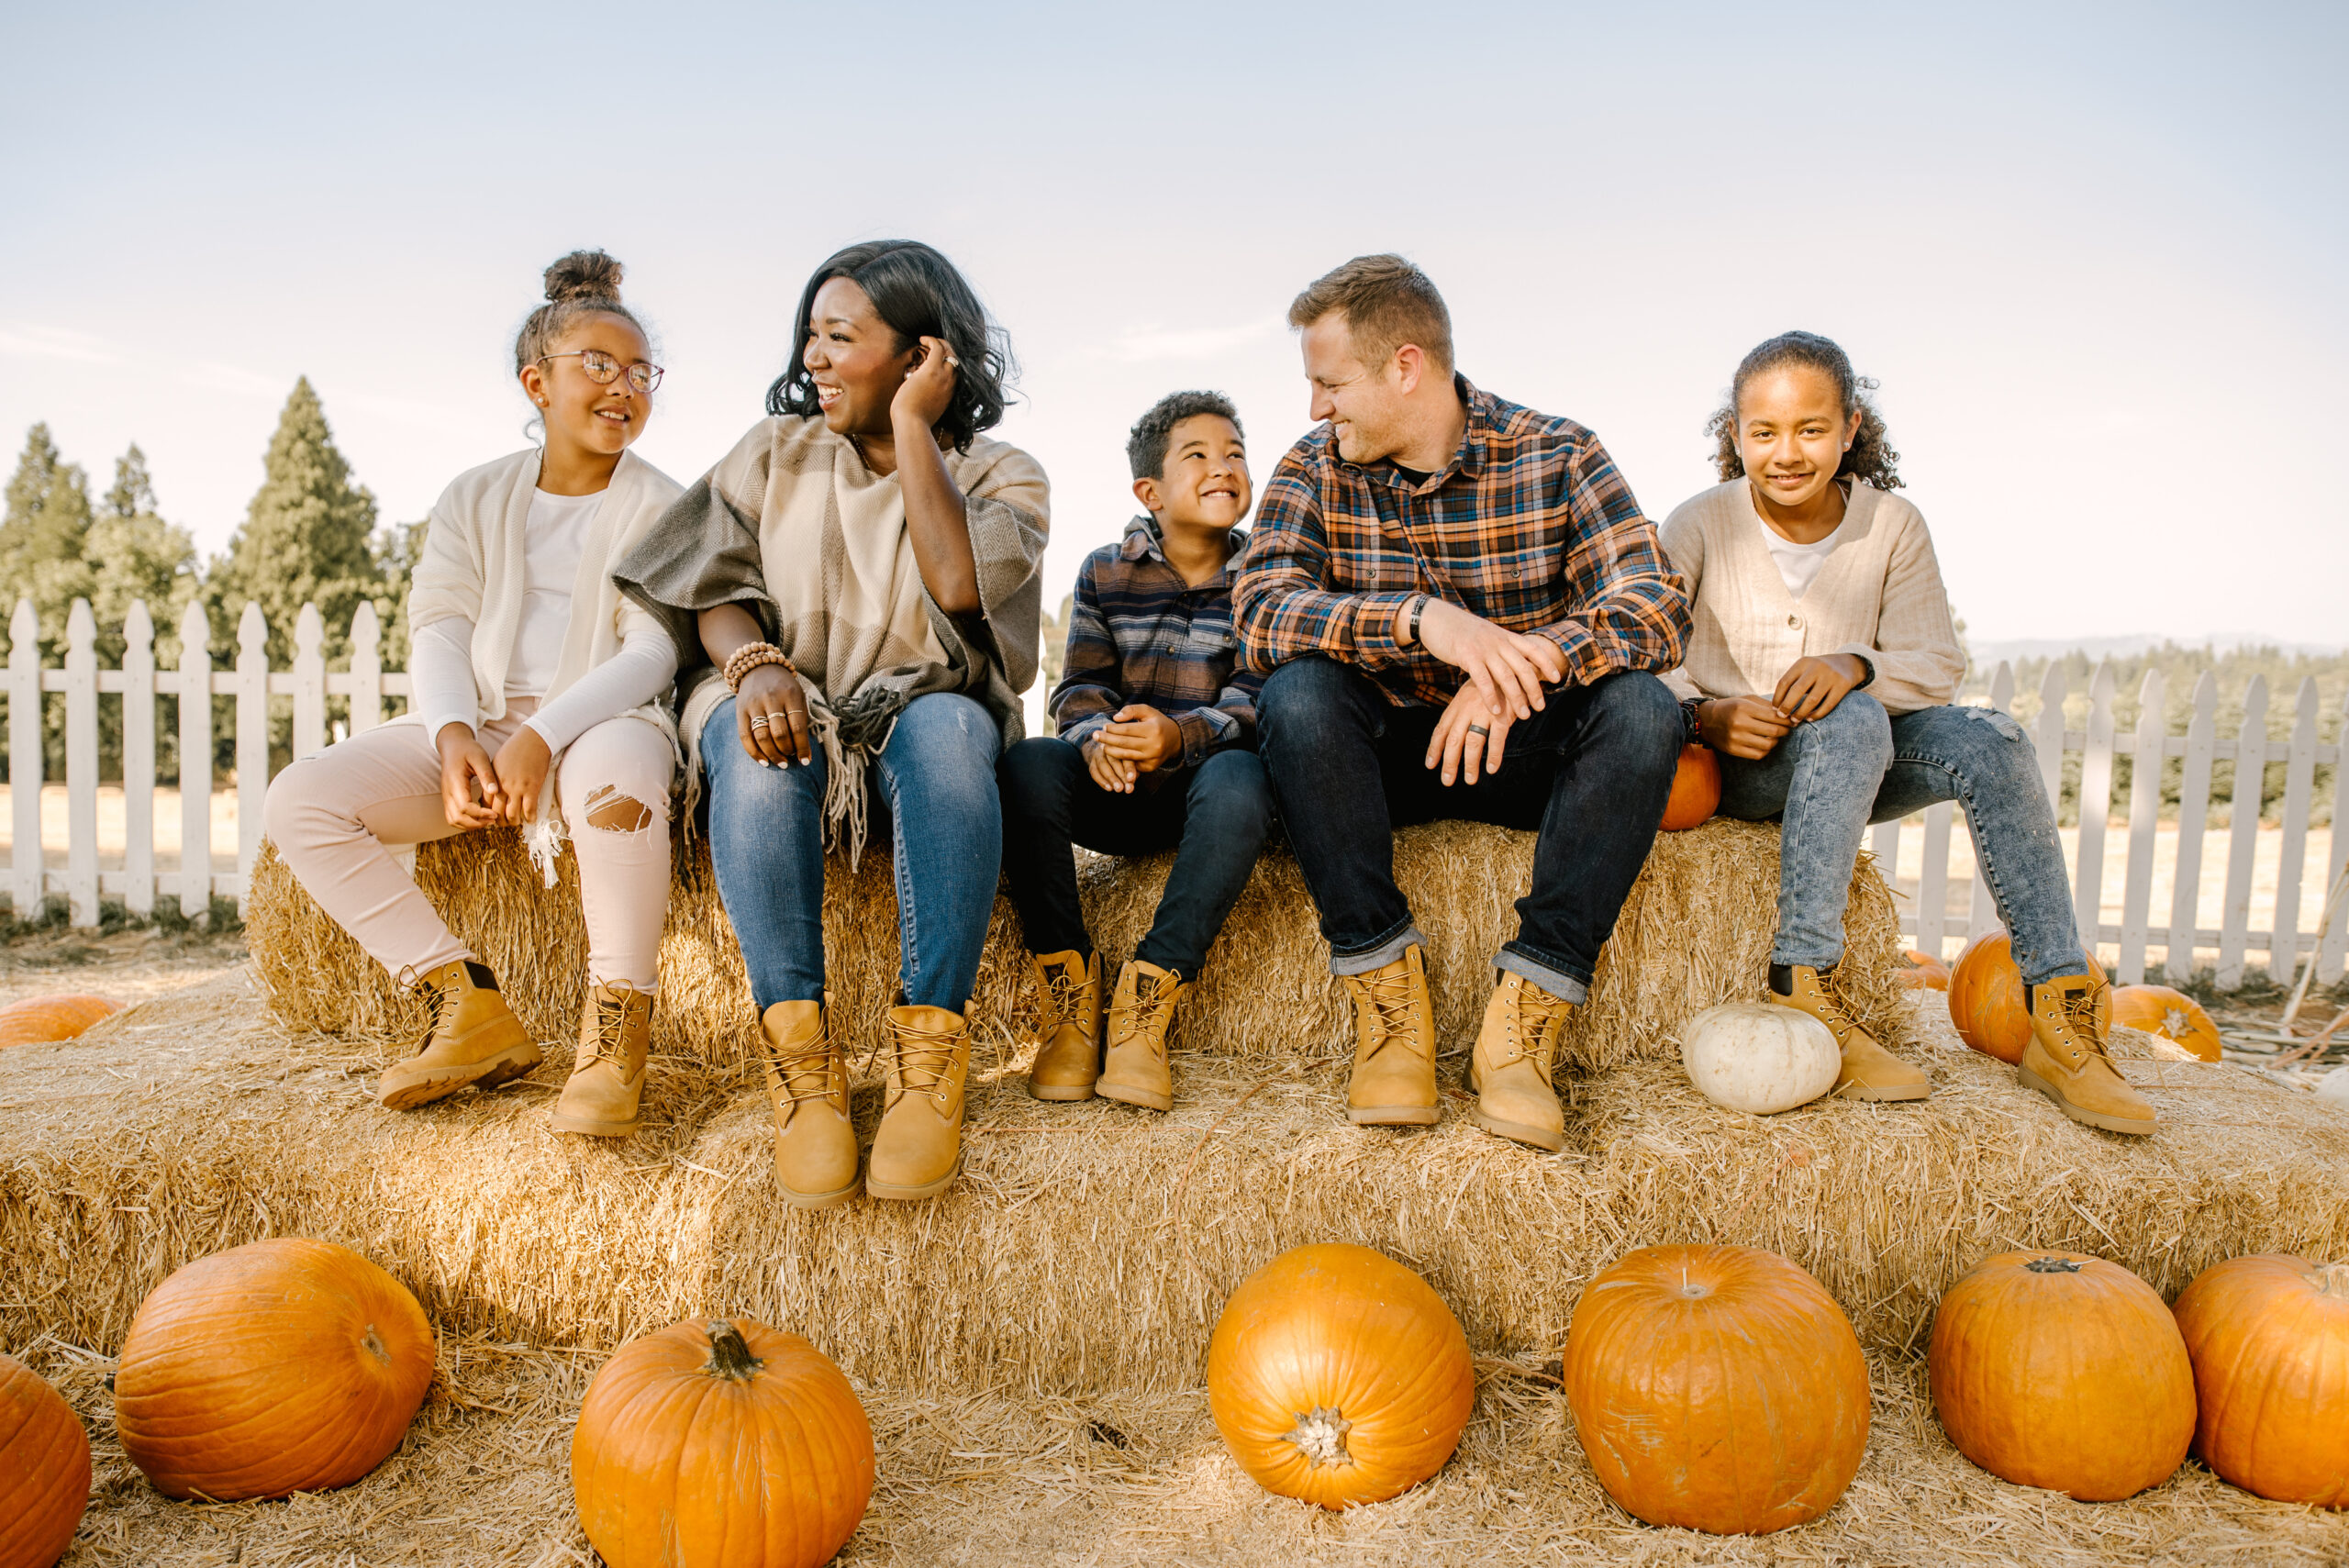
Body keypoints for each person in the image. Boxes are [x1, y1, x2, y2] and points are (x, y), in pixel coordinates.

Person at [616, 239, 1048, 1207]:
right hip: (785, 693)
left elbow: (957, 585)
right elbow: (706, 583)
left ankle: (928, 1059)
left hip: (920, 705)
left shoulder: (1002, 472)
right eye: (809, 333)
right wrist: (752, 662)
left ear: (919, 353)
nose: (811, 355)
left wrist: (910, 430)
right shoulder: (773, 451)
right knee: (757, 745)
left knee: (945, 732)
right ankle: (800, 1071)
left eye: (840, 336)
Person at [1233, 255, 1691, 1151]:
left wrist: (1521, 664)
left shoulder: (1559, 451)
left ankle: (1526, 1019)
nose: (1316, 407)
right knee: (1295, 694)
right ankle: (1388, 1005)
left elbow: (1656, 599)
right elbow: (1258, 609)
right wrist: (1421, 619)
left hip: (1522, 755)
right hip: (1374, 765)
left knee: (1644, 708)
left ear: (1404, 366)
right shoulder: (1312, 468)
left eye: (1329, 383)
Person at [1661, 330, 2153, 1134]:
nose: (1787, 452)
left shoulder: (1892, 525)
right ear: (1736, 435)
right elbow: (1640, 649)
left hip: (1860, 756)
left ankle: (2061, 1018)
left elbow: (1935, 662)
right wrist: (1703, 711)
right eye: (1764, 433)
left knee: (1992, 738)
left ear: (1851, 428)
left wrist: (1856, 660)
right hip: (1739, 769)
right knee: (1849, 715)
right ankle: (1807, 989)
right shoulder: (1699, 524)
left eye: (1811, 430)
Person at [263, 250, 684, 1134]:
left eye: (642, 372)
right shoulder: (475, 494)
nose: (625, 387)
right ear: (537, 381)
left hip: (608, 718)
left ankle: (615, 1035)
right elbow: (440, 624)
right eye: (598, 365)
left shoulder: (664, 505)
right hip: (484, 718)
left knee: (618, 788)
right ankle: (463, 1000)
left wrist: (542, 736)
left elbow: (651, 653)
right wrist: (455, 732)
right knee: (301, 799)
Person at [999, 391, 1274, 1113]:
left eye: (1236, 454)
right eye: (1200, 456)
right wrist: (1096, 742)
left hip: (1201, 800)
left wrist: (1178, 737)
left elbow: (1256, 697)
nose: (1225, 466)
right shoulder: (1104, 572)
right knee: (1028, 764)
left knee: (1246, 777)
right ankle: (1068, 1001)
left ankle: (1149, 997)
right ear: (1148, 491)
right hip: (1113, 789)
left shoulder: (1264, 578)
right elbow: (1079, 687)